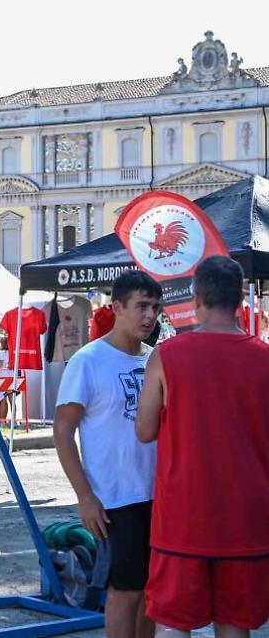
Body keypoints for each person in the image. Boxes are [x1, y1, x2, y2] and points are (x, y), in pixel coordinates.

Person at [135, 256, 269, 638]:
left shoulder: (166, 356)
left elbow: (144, 430)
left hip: (183, 517)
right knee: (235, 626)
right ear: (240, 300)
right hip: (247, 519)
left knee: (173, 626)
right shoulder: (265, 359)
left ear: (196, 299)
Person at [53, 270, 162, 638]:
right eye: (142, 306)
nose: (150, 316)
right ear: (117, 307)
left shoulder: (155, 359)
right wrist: (85, 496)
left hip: (158, 495)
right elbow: (63, 431)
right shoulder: (89, 360)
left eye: (155, 308)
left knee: (153, 591)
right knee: (124, 591)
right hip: (114, 499)